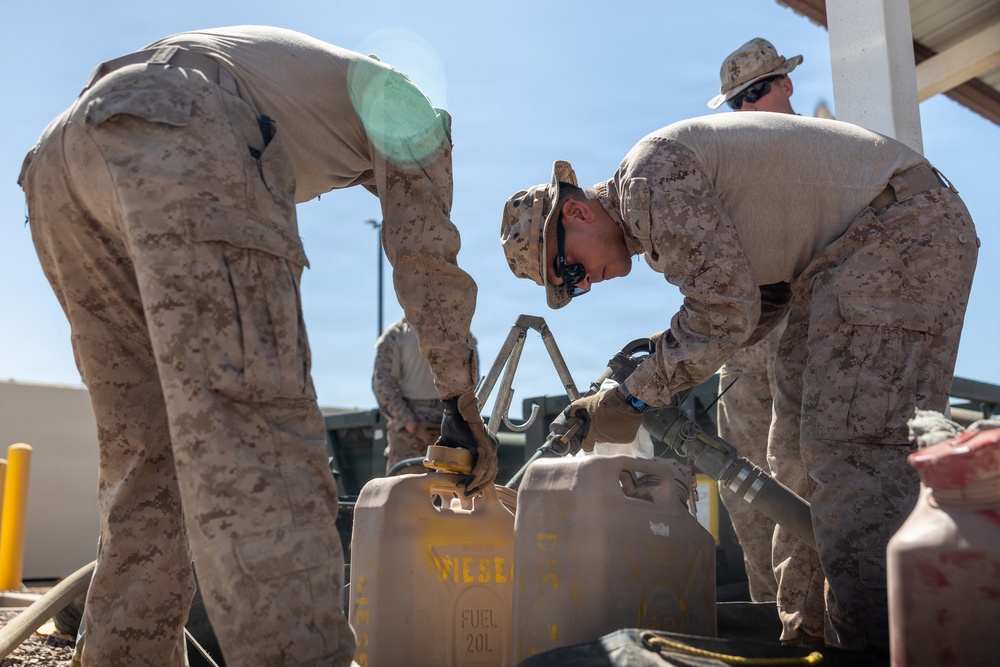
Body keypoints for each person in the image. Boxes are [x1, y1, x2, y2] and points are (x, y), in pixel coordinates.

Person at [18, 26, 497, 667]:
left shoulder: (297, 78)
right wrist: (461, 400)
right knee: (259, 445)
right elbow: (426, 260)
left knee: (148, 467)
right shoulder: (408, 108)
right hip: (183, 127)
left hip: (65, 160)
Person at [499, 112, 978, 653]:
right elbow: (748, 307)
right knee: (796, 457)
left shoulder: (648, 184)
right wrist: (660, 359)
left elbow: (723, 311)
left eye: (568, 269)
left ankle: (875, 649)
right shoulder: (650, 205)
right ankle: (807, 642)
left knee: (852, 455)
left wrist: (634, 393)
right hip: (844, 259)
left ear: (577, 211)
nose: (582, 282)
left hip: (899, 232)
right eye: (571, 285)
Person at [708, 37, 803, 604]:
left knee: (803, 480)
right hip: (743, 354)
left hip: (806, 341)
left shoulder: (833, 153)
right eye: (738, 100)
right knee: (745, 495)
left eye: (755, 92)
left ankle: (825, 628)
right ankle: (777, 627)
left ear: (785, 84)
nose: (746, 108)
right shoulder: (724, 166)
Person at [373, 317, 480, 475]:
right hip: (410, 431)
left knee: (448, 491)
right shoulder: (396, 334)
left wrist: (452, 420)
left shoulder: (461, 332)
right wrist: (412, 425)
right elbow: (383, 384)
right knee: (405, 490)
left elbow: (470, 381)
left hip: (449, 422)